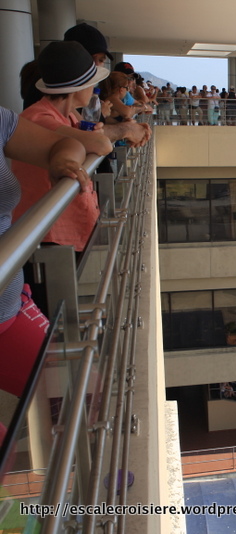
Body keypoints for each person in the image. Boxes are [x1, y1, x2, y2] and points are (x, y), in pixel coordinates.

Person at [1, 105, 90, 396]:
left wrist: (62, 162)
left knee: (86, 397)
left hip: (9, 312)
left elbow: (68, 145)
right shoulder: (41, 113)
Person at [12, 41, 112, 253]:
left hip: (62, 234)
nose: (94, 90)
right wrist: (95, 137)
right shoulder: (39, 118)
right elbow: (102, 145)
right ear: (78, 87)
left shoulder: (63, 115)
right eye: (92, 84)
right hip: (48, 240)